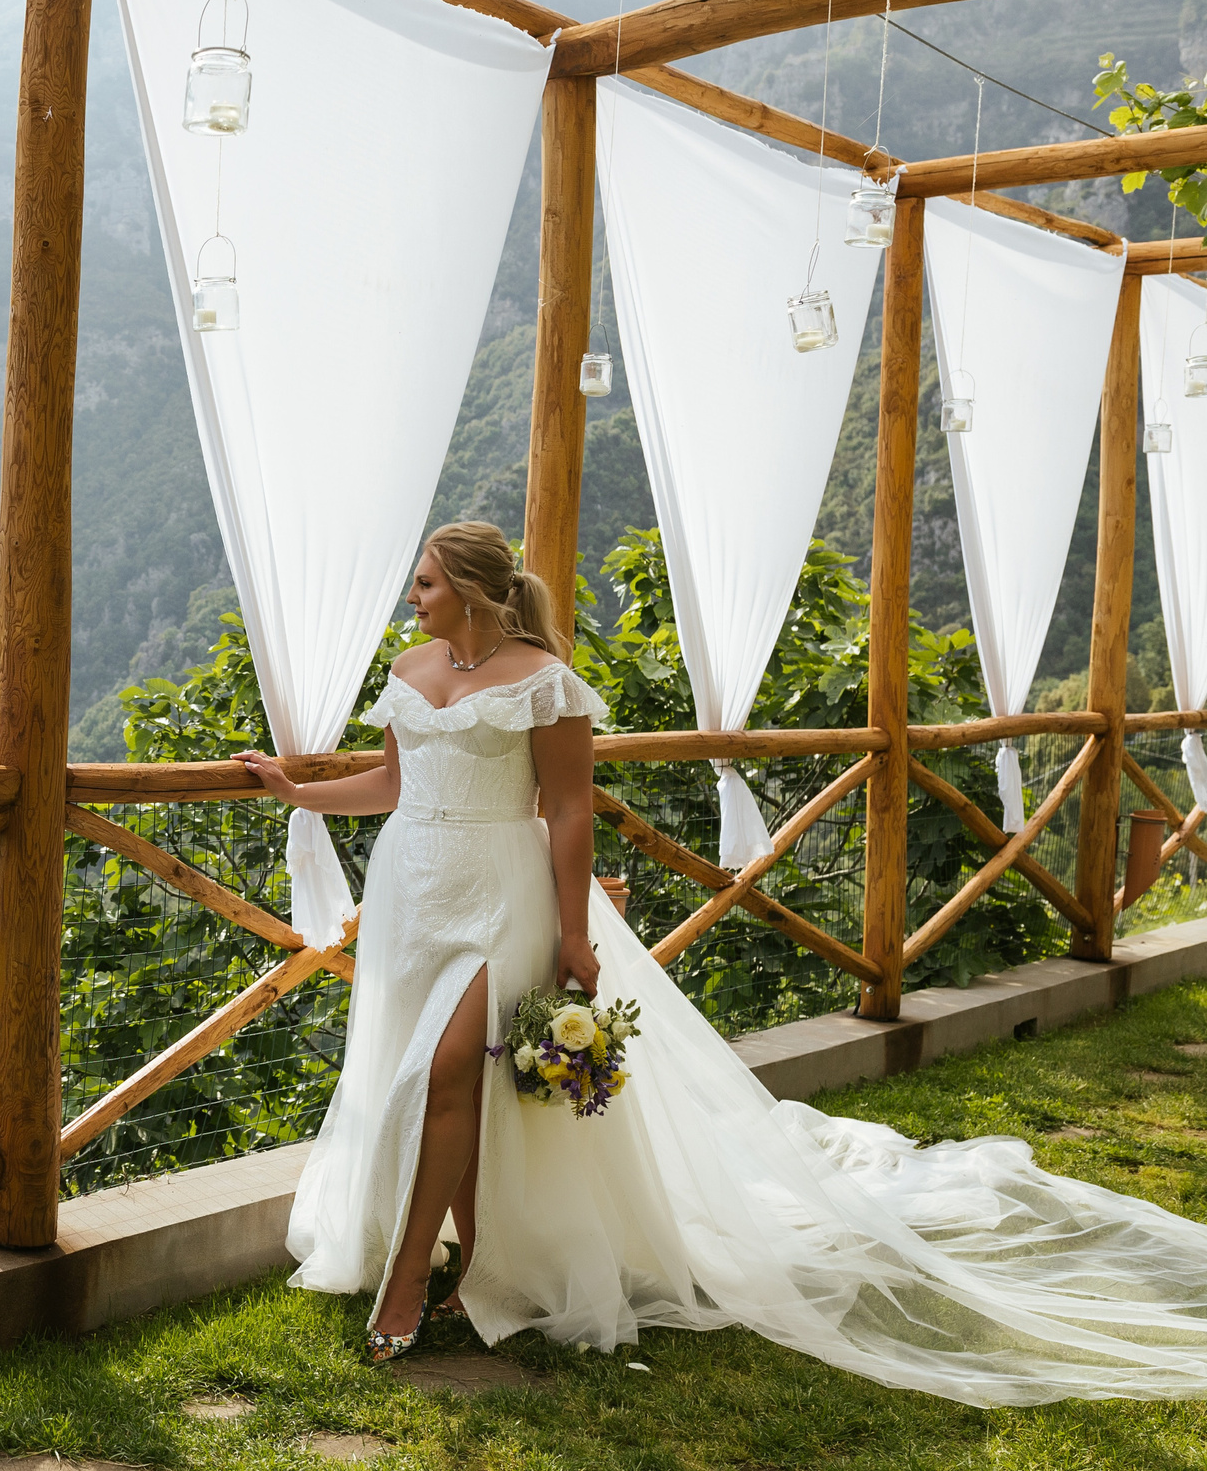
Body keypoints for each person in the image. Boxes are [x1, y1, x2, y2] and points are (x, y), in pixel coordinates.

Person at [232, 520, 1207, 1403]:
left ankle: (408, 1284)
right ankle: (478, 1262)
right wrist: (291, 790)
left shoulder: (544, 680)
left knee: (448, 1072)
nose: (415, 598)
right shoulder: (410, 668)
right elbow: (390, 784)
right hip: (410, 891)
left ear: (475, 590)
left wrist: (572, 934)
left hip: (501, 894)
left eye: (427, 583)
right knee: (467, 1089)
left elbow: (569, 811)